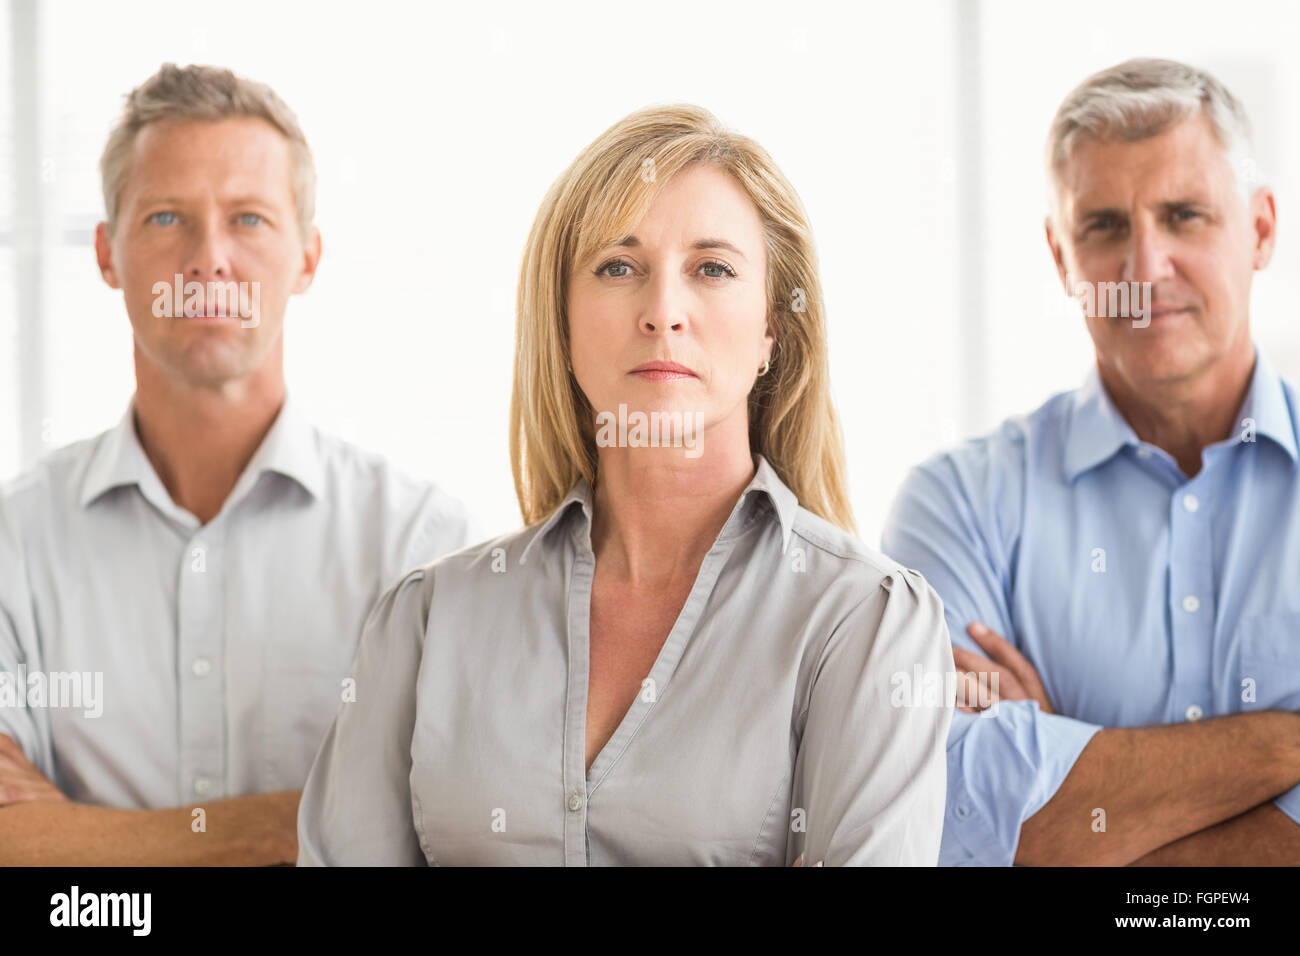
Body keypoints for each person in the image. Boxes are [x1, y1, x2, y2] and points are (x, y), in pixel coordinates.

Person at [298, 104, 953, 866]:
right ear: (563, 321)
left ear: (773, 327)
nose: (662, 313)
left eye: (713, 269)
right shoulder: (424, 621)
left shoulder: (864, 624)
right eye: (618, 267)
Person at [0, 63, 469, 864]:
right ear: (108, 254)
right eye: (166, 218)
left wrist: (82, 839)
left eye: (248, 219)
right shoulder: (15, 541)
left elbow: (438, 830)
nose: (209, 258)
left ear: (308, 258)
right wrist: (294, 826)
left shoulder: (420, 544)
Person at [883, 58, 1300, 866]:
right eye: (1104, 227)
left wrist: (1062, 761)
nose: (1144, 271)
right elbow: (937, 814)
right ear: (1059, 255)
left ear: (1259, 230)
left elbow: (1023, 836)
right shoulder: (959, 503)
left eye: (1184, 216)